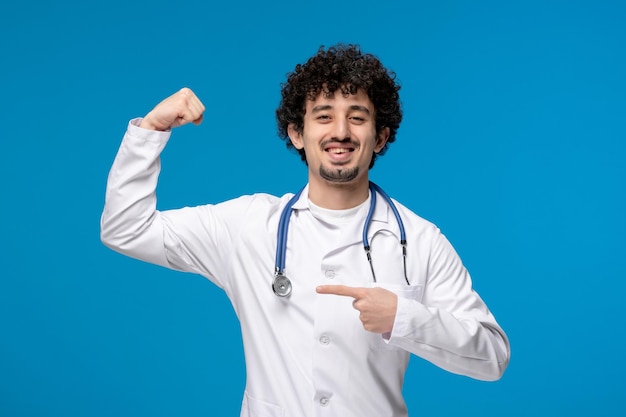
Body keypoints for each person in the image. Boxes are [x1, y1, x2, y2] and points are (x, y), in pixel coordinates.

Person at [100, 44, 510, 417]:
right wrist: (151, 131)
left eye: (358, 118)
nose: (341, 132)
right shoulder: (247, 226)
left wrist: (403, 317)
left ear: (380, 137)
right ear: (298, 133)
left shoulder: (419, 240)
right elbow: (125, 229)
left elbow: (492, 356)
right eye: (324, 116)